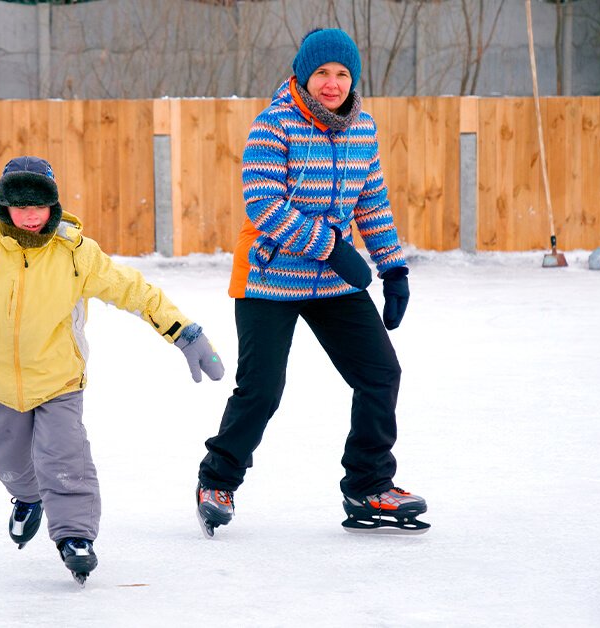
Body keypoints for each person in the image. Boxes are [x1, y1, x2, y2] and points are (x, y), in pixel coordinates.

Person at [0, 156, 226, 583]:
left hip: (58, 379)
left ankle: (75, 536)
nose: (30, 215)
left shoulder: (76, 252)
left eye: (39, 205)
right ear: (2, 206)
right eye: (19, 204)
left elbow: (134, 291)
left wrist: (185, 333)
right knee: (5, 456)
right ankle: (28, 498)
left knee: (64, 457)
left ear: (54, 205)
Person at [194, 28, 428, 536]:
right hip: (268, 277)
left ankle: (369, 487)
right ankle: (217, 481)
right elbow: (265, 207)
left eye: (342, 74)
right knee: (261, 390)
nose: (332, 83)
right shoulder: (272, 126)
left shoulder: (362, 128)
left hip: (333, 283)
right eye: (322, 72)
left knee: (380, 374)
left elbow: (372, 202)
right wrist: (334, 247)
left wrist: (393, 268)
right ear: (303, 75)